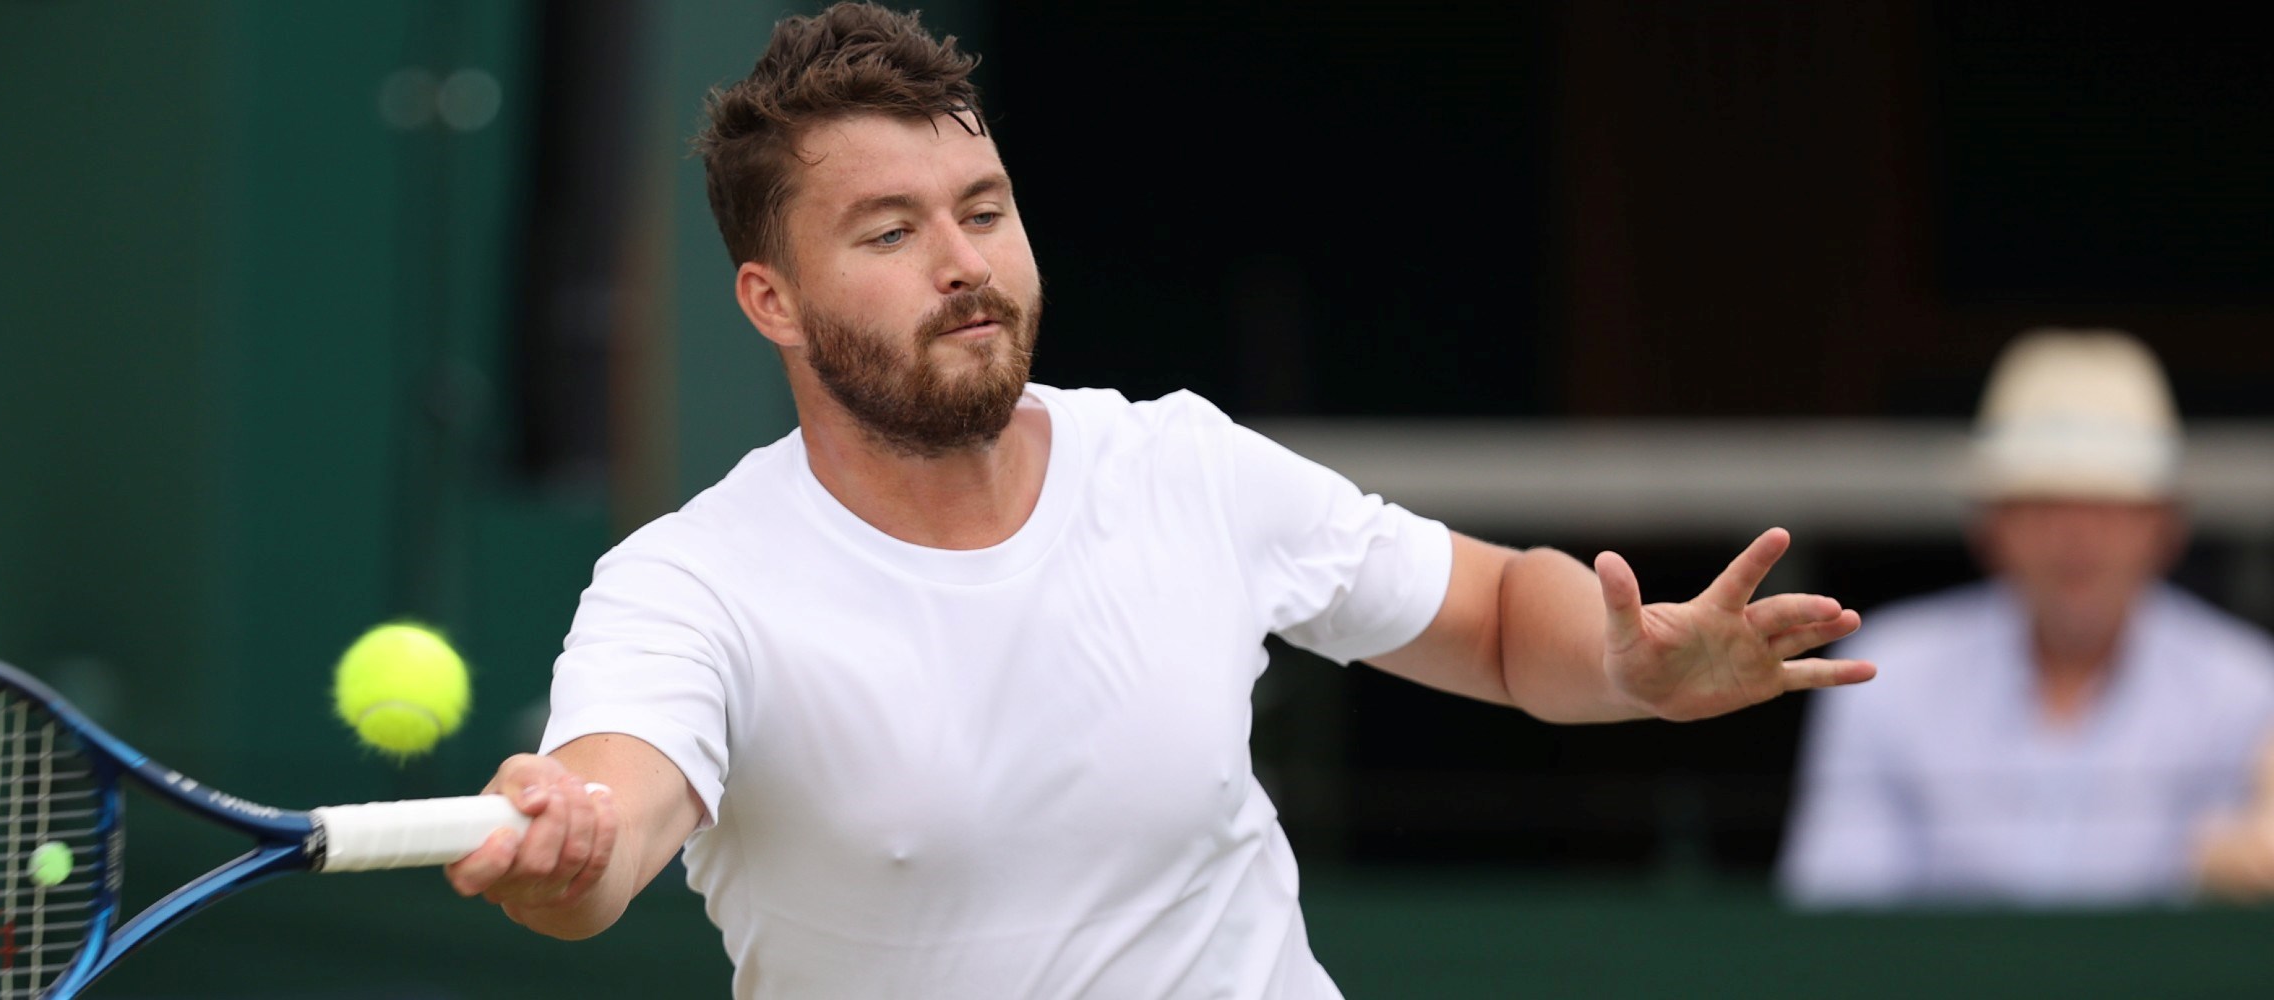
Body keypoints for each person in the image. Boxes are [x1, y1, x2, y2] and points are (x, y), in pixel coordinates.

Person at [445, 6, 1872, 996]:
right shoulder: (687, 585)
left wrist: (1623, 663)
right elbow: (610, 826)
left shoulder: (1180, 466)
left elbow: (1499, 618)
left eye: (984, 209)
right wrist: (562, 844)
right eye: (890, 232)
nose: (964, 263)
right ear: (774, 302)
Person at [1781, 330, 2274, 908]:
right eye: (2043, 501)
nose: (2076, 535)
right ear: (1989, 523)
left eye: (2108, 505)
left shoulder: (2248, 689)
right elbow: (1837, 919)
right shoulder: (1880, 676)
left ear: (2166, 526)